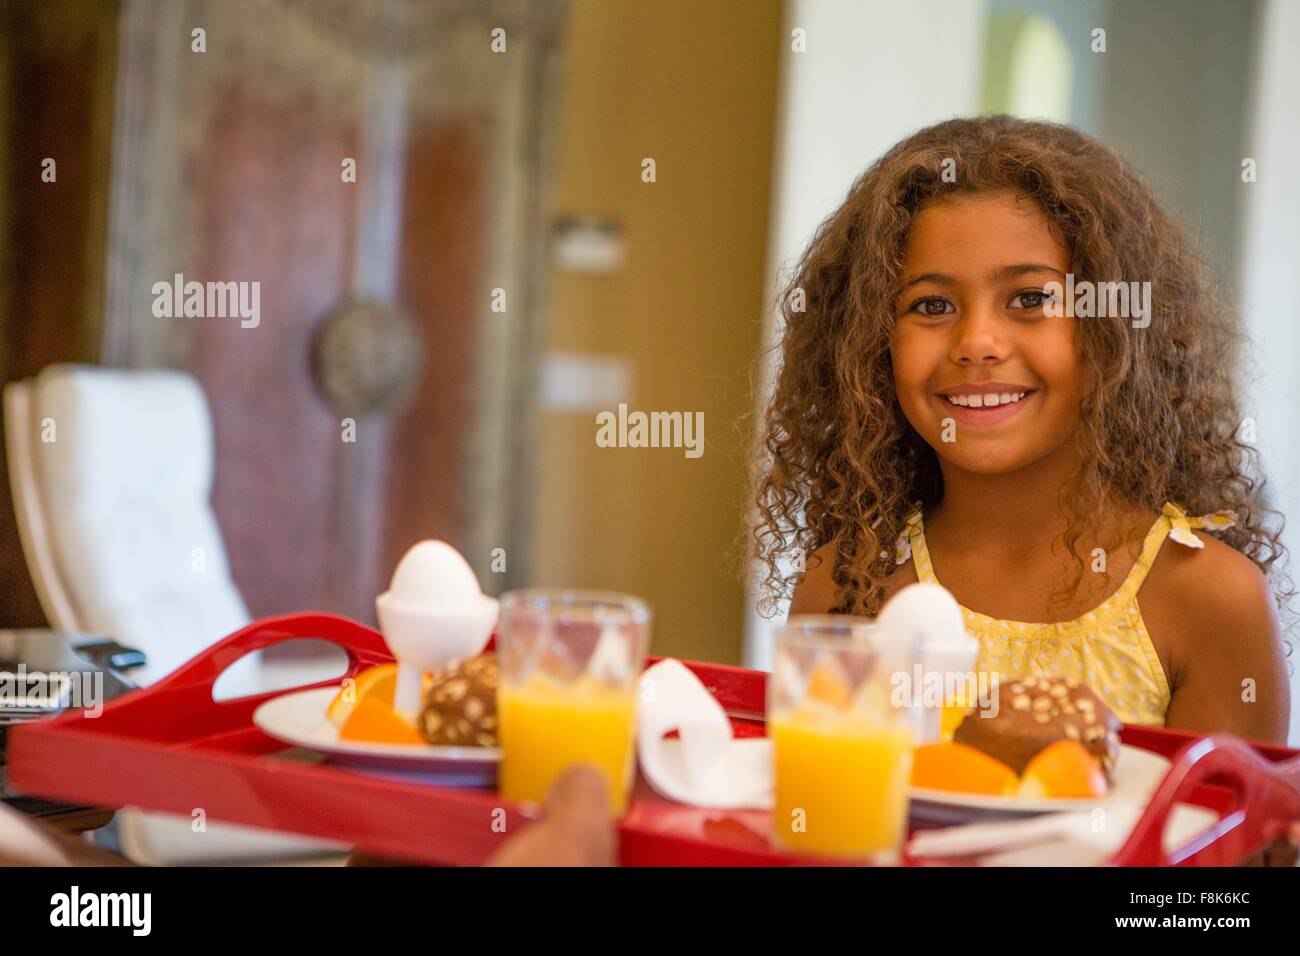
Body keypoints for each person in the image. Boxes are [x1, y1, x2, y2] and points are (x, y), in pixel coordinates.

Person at [754, 116, 1291, 743]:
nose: (977, 342)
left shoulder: (1210, 599)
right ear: (872, 347)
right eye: (932, 305)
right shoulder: (844, 587)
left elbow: (1224, 838)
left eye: (1031, 299)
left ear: (1116, 334)